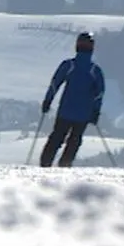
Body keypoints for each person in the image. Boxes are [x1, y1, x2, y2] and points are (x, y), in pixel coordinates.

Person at [39, 32, 106, 167]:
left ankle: (45, 165)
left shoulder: (69, 65)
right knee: (74, 141)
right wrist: (95, 111)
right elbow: (99, 93)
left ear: (77, 46)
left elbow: (55, 84)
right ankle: (64, 165)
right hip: (83, 114)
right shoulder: (95, 70)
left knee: (57, 138)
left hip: (65, 110)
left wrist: (48, 101)